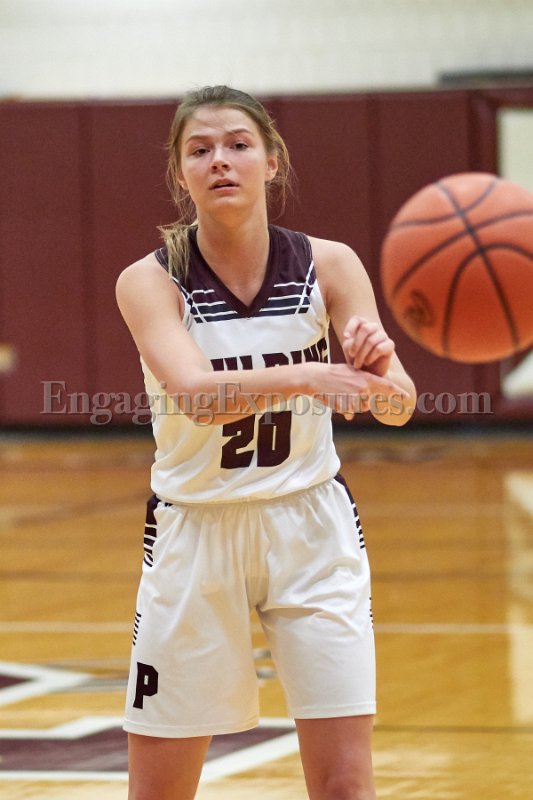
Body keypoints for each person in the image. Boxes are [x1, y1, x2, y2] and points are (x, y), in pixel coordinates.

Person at [116, 84, 416, 800]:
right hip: (195, 529)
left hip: (311, 527)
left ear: (272, 162)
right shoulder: (150, 281)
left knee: (345, 787)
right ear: (180, 172)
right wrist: (311, 374)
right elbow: (197, 398)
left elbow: (399, 407)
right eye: (200, 150)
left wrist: (377, 370)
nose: (220, 160)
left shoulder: (330, 265)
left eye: (238, 145)